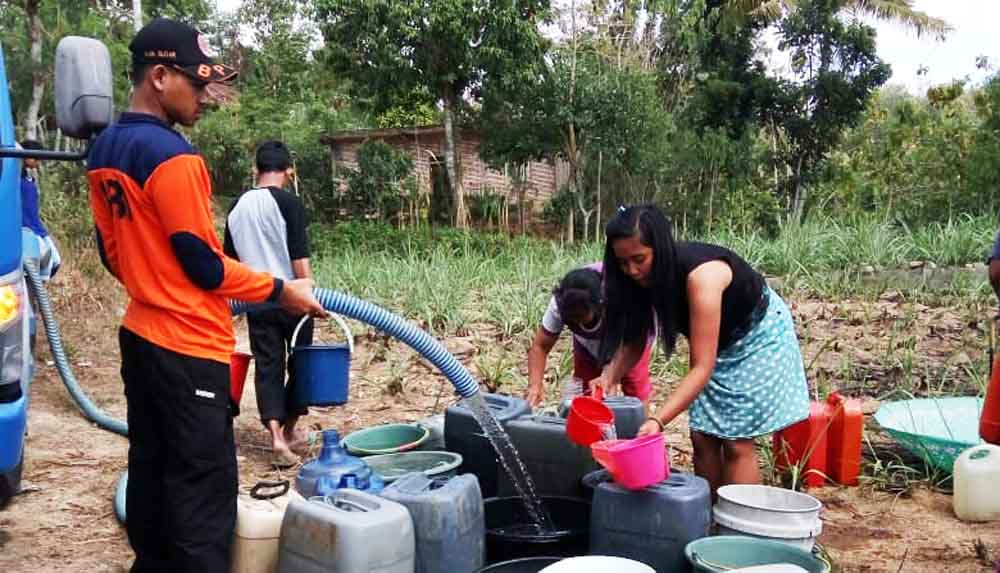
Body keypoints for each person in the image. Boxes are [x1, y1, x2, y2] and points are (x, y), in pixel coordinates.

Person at [86, 18, 324, 572]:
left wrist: (153, 284)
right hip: (189, 349)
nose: (205, 96)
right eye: (196, 84)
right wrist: (278, 290)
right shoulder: (174, 157)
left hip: (140, 338)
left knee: (150, 472)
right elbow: (205, 266)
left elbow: (112, 254)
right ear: (160, 76)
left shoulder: (103, 151)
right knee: (202, 497)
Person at [594, 204, 809, 493]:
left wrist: (658, 420)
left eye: (639, 259)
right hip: (716, 344)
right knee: (702, 437)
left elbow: (702, 367)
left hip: (756, 337)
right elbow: (635, 339)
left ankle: (741, 528)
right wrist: (608, 377)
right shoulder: (638, 279)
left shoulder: (702, 276)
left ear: (660, 248)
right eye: (622, 263)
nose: (631, 270)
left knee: (736, 441)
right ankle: (707, 516)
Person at [224, 140, 314, 467]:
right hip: (292, 298)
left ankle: (278, 438)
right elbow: (299, 259)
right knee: (302, 364)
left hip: (256, 299)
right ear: (288, 171)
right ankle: (290, 429)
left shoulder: (237, 206)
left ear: (255, 169)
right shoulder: (290, 203)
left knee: (268, 367)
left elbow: (229, 263)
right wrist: (312, 297)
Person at [525, 264, 654, 410]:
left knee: (634, 388)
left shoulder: (621, 300)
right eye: (570, 318)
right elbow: (540, 346)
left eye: (580, 316)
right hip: (586, 345)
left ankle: (643, 430)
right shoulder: (558, 305)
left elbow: (632, 346)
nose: (575, 321)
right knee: (589, 390)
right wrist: (535, 385)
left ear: (598, 306)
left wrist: (610, 375)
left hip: (630, 340)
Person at [20, 139, 60, 280]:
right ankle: (35, 297)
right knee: (44, 266)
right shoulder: (14, 179)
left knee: (55, 261)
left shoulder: (29, 178)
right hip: (26, 230)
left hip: (37, 228)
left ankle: (37, 292)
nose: (39, 162)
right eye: (37, 158)